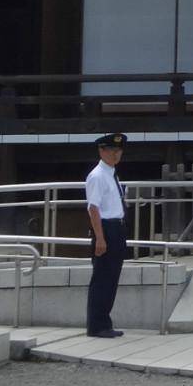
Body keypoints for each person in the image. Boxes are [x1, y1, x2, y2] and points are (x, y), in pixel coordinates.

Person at [85, 132, 129, 338]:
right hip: (106, 228)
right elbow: (93, 208)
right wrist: (100, 237)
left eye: (118, 151)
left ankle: (105, 322)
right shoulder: (97, 175)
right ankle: (96, 325)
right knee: (102, 278)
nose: (115, 155)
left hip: (117, 227)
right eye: (111, 151)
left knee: (111, 278)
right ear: (101, 151)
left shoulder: (111, 173)